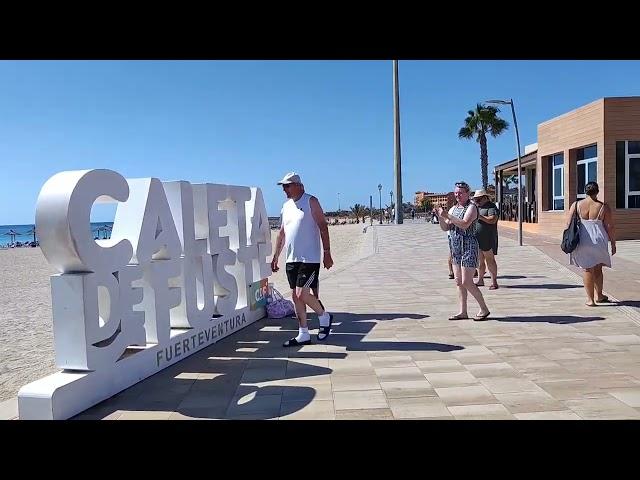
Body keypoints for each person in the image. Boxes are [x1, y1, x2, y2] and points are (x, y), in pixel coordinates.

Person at [271, 172, 334, 346]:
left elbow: (323, 226)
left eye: (287, 185)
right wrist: (276, 255)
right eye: (283, 186)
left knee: (302, 293)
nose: (284, 189)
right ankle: (303, 333)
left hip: (310, 258)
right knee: (296, 296)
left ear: (298, 185)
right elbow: (282, 233)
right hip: (292, 259)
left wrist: (327, 252)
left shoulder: (310, 201)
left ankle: (324, 316)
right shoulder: (286, 206)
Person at [436, 181, 490, 320]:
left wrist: (447, 216)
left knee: (467, 281)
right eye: (456, 193)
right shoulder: (454, 209)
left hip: (468, 246)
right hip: (455, 247)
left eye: (460, 193)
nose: (457, 195)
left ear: (467, 193)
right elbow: (446, 228)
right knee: (459, 281)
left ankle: (484, 308)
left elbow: (465, 224)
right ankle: (463, 311)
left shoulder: (472, 208)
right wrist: (441, 217)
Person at [566, 181, 616, 306]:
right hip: (599, 239)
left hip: (583, 239)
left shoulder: (576, 205)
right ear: (597, 192)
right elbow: (609, 226)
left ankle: (590, 299)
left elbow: (568, 224)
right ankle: (599, 295)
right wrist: (613, 243)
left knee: (587, 269)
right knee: (598, 268)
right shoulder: (604, 207)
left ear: (585, 191)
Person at [471, 189, 499, 289]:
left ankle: (494, 282)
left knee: (490, 260)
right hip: (477, 238)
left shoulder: (491, 207)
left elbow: (492, 220)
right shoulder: (476, 207)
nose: (477, 201)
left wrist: (480, 217)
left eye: (479, 199)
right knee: (480, 261)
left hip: (488, 238)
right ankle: (480, 280)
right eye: (476, 200)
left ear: (485, 198)